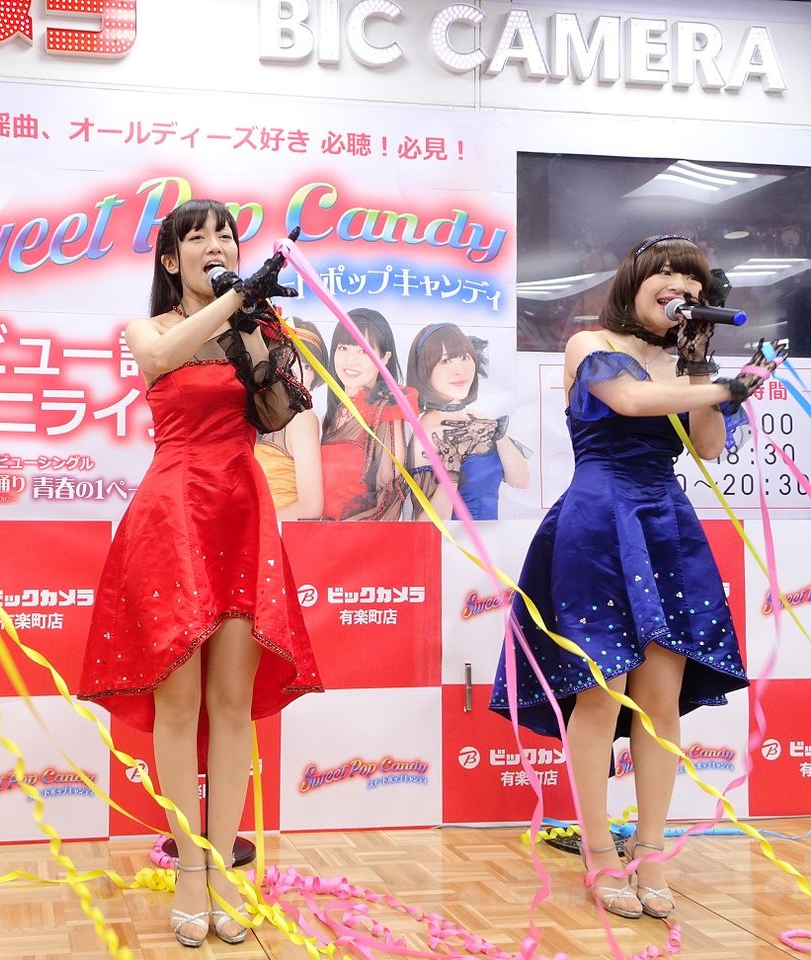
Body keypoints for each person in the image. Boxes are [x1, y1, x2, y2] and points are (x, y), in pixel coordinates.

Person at [488, 234, 783, 921]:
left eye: (692, 280)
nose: (680, 286)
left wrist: (703, 370)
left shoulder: (687, 366)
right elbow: (626, 400)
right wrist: (725, 384)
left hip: (665, 525)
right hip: (596, 524)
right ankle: (598, 852)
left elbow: (707, 445)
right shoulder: (589, 344)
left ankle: (650, 852)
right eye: (666, 273)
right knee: (600, 696)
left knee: (661, 699)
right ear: (635, 282)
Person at [78, 200, 322, 947]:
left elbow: (277, 416)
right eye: (199, 237)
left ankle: (223, 869)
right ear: (169, 257)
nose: (216, 245)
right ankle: (189, 868)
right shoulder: (149, 329)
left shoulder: (253, 325)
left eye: (227, 236)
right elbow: (161, 360)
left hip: (242, 507)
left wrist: (263, 332)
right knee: (178, 703)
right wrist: (234, 301)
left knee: (233, 702)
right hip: (173, 511)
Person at [406, 322, 529, 520]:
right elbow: (426, 524)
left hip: (493, 536)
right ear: (424, 371)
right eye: (446, 361)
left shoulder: (481, 417)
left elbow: (521, 481)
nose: (460, 370)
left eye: (465, 357)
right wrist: (451, 474)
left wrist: (497, 434)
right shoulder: (426, 434)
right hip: (454, 540)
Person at [319, 308, 416, 520]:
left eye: (363, 351)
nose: (350, 361)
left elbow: (389, 499)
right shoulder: (333, 414)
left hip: (358, 536)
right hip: (319, 534)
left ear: (384, 358)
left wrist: (341, 534)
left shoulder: (386, 412)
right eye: (343, 348)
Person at [255, 317, 326, 520]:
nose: (296, 372)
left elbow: (311, 507)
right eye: (289, 359)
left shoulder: (302, 419)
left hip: (274, 533)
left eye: (307, 366)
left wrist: (256, 527)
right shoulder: (254, 413)